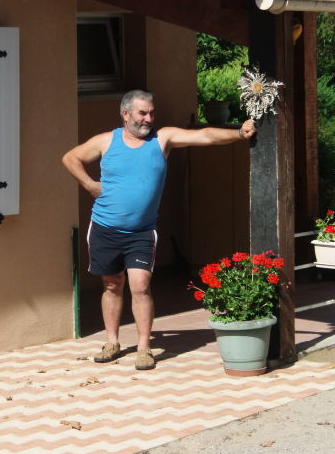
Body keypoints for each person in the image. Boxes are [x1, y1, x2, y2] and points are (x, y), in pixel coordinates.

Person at [62, 90, 256, 370]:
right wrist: (90, 185)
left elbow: (204, 137)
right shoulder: (106, 141)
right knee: (111, 284)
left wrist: (238, 133)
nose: (148, 119)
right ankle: (112, 342)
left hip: (141, 231)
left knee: (140, 286)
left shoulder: (162, 139)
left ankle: (144, 347)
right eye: (142, 113)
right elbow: (71, 158)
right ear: (126, 114)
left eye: (151, 113)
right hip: (105, 227)